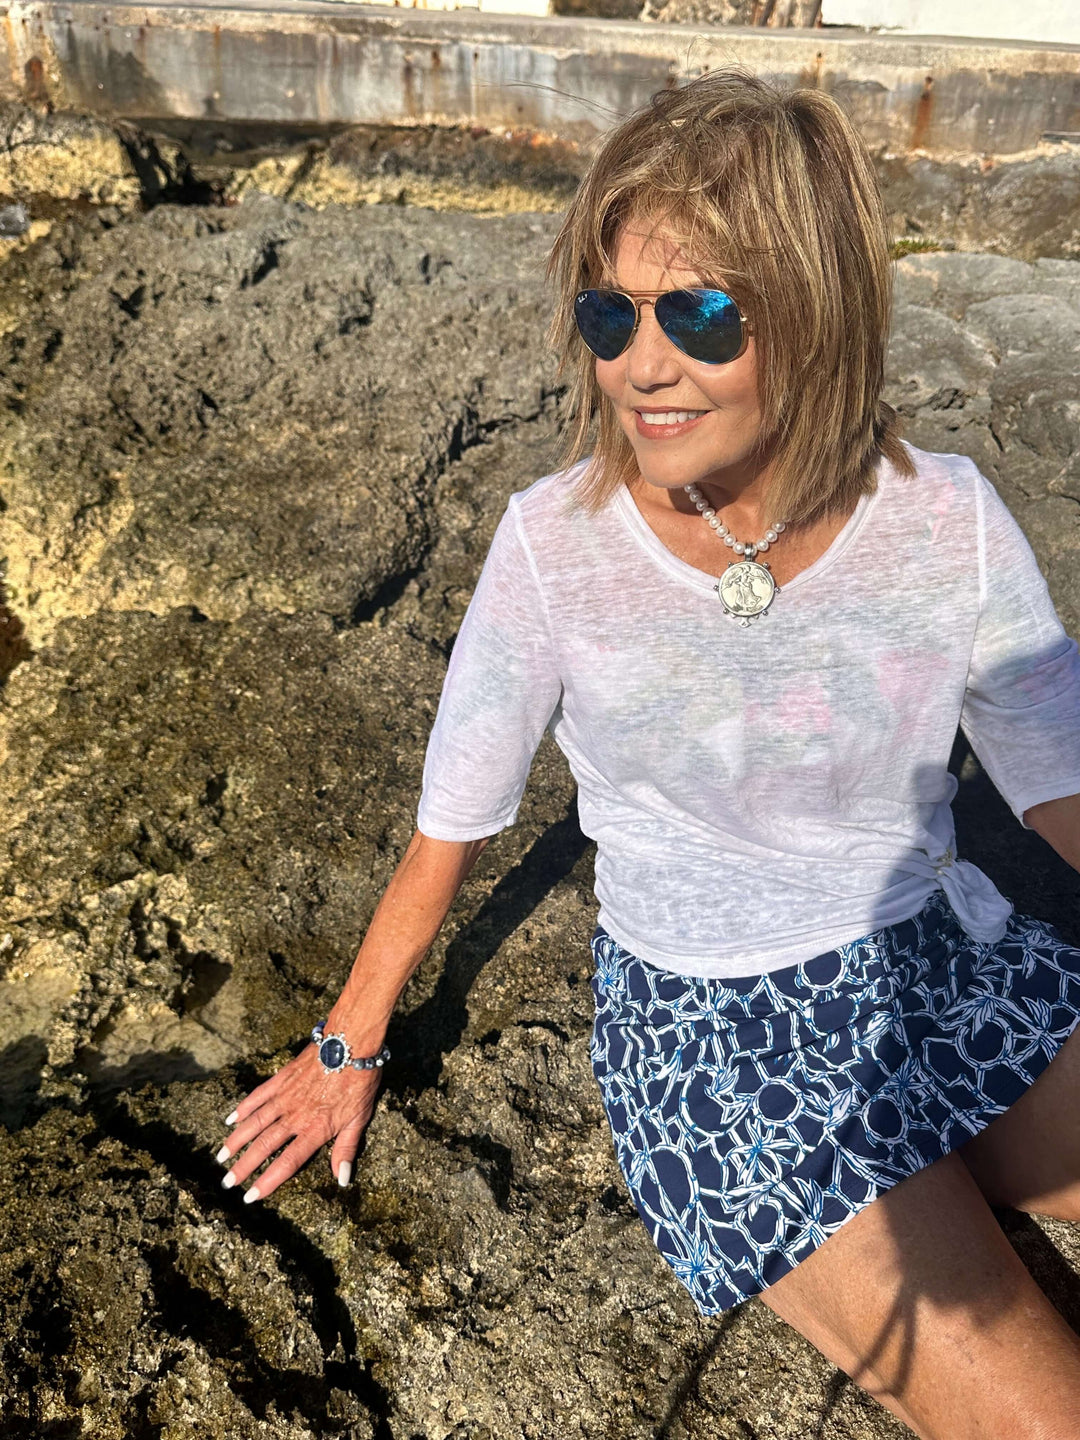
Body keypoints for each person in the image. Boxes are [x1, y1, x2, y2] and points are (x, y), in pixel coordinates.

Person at [216, 69, 1080, 1437]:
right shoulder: (554, 548)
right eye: (611, 313)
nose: (643, 362)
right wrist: (344, 1043)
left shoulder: (944, 518)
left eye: (703, 313)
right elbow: (459, 815)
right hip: (730, 1052)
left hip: (941, 966)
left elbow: (1057, 779)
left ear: (819, 310)